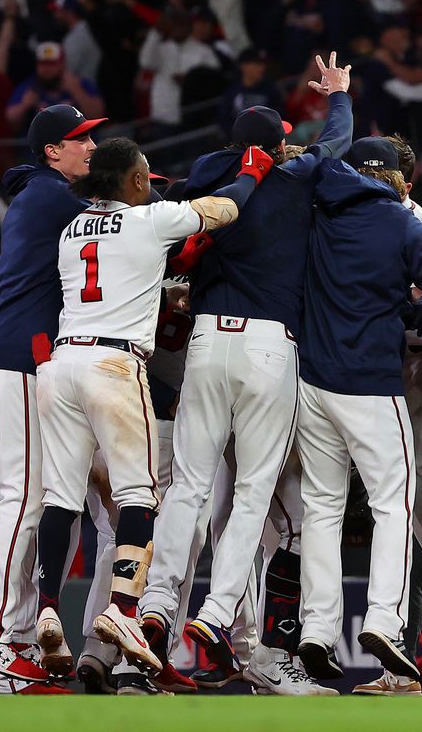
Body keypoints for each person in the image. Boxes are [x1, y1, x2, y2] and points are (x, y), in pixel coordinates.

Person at [138, 53, 352, 698]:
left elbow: (164, 203)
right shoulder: (293, 176)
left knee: (188, 486)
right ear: (280, 143)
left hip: (205, 341)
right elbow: (336, 142)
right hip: (267, 346)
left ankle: (156, 602)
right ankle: (216, 612)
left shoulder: (208, 178)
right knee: (254, 492)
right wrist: (338, 96)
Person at [32, 136, 267, 679]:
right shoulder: (149, 220)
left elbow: (112, 281)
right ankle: (122, 609)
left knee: (60, 497)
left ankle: (47, 608)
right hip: (114, 365)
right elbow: (225, 208)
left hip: (62, 364)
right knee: (139, 495)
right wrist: (253, 170)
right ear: (137, 180)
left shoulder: (72, 229)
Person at [294, 137, 422, 687]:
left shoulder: (319, 214)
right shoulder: (401, 223)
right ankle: (385, 620)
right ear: (398, 181)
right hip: (371, 384)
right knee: (393, 505)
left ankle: (316, 628)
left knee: (322, 508)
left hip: (312, 381)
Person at [0, 104, 106, 691]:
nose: (90, 147)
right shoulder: (53, 197)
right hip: (20, 358)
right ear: (52, 150)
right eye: (80, 139)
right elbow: (121, 226)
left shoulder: (37, 195)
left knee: (23, 504)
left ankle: (9, 655)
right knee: (25, 503)